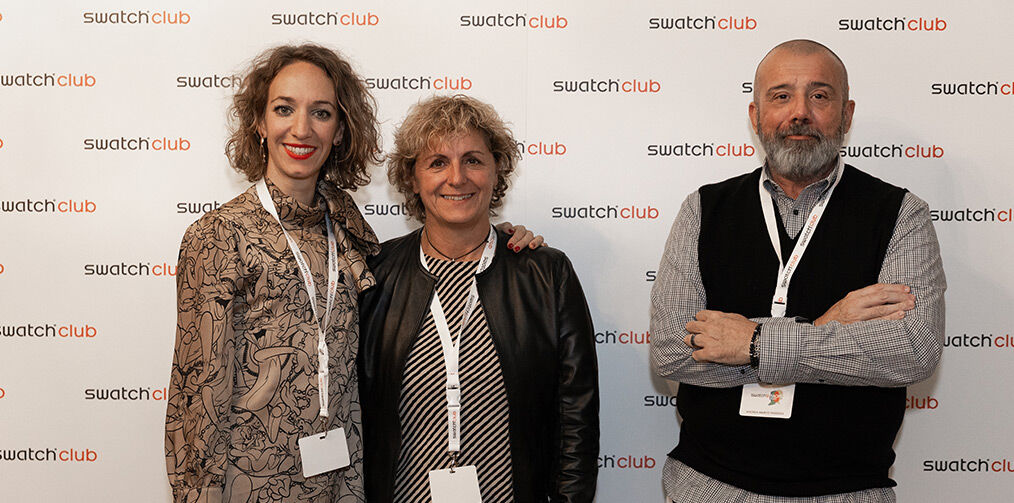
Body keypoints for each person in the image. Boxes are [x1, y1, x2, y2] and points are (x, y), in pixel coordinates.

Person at [164, 44, 539, 503]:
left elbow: (449, 245)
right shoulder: (219, 236)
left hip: (345, 484)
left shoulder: (348, 227)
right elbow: (195, 395)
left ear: (340, 129)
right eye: (284, 109)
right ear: (260, 123)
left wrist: (498, 241)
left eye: (320, 112)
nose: (301, 129)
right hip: (250, 485)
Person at [650, 39, 946, 503]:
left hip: (846, 493)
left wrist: (750, 344)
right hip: (708, 488)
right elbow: (671, 350)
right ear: (755, 115)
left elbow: (910, 351)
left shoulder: (900, 213)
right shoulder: (704, 209)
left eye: (820, 95)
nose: (800, 112)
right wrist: (828, 327)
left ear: (847, 115)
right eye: (781, 95)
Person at [358, 94, 599, 502]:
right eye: (437, 162)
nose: (457, 178)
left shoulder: (545, 273)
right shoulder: (375, 274)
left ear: (496, 170)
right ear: (413, 179)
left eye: (473, 159)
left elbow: (576, 414)